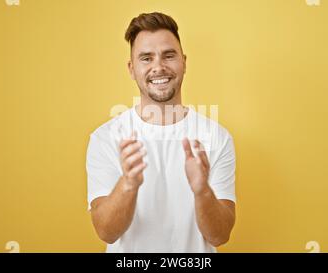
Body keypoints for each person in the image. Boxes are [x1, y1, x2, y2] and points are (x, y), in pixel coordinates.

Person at [86, 12, 237, 252]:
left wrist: (202, 191)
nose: (159, 67)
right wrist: (128, 184)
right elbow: (106, 232)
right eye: (146, 58)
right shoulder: (105, 138)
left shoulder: (216, 137)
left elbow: (220, 236)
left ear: (184, 62)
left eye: (169, 55)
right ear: (131, 68)